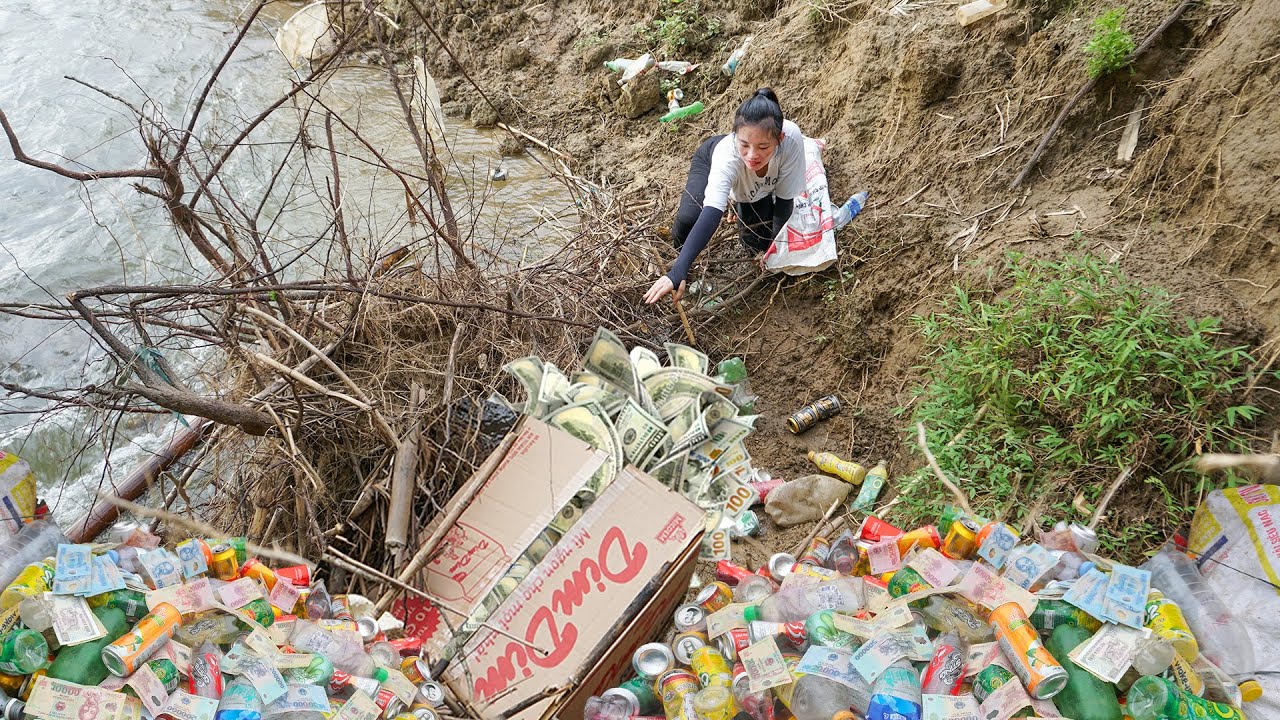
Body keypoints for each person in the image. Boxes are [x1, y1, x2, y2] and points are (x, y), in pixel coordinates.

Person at [643, 87, 806, 305]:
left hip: (756, 188)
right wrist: (679, 270)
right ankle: (681, 257)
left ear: (780, 139)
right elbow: (711, 212)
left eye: (763, 147)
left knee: (756, 245)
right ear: (735, 136)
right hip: (709, 160)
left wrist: (775, 249)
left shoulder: (791, 140)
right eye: (744, 145)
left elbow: (785, 201)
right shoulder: (727, 155)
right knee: (689, 218)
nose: (752, 155)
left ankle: (739, 204)